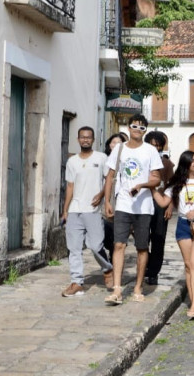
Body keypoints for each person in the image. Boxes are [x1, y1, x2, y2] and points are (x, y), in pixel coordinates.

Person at [102, 115, 162, 305]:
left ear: (145, 130)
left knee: (142, 247)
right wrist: (107, 202)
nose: (138, 129)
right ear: (128, 128)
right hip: (123, 204)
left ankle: (138, 286)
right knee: (119, 244)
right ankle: (117, 289)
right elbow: (110, 176)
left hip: (144, 206)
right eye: (135, 126)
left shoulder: (150, 151)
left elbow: (157, 178)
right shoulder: (119, 149)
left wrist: (142, 185)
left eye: (142, 127)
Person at [151, 151, 194, 318]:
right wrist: (151, 189)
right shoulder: (177, 183)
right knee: (188, 265)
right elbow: (164, 202)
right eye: (193, 160)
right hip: (183, 225)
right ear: (185, 163)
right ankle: (193, 299)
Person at [60, 127, 114, 297]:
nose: (85, 140)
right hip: (75, 209)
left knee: (96, 245)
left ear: (93, 139)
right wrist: (65, 210)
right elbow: (70, 186)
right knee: (74, 248)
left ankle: (107, 268)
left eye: (88, 137)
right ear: (78, 139)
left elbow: (109, 180)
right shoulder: (72, 162)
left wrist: (102, 196)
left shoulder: (101, 158)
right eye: (82, 137)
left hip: (93, 210)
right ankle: (76, 282)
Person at [144, 131, 175, 285]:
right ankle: (146, 264)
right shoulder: (141, 160)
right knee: (142, 238)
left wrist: (170, 206)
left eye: (158, 145)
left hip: (160, 204)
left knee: (158, 238)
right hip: (143, 203)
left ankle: (153, 272)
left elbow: (172, 186)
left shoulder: (166, 164)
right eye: (152, 144)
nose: (155, 148)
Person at [100, 132, 128, 264]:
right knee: (104, 229)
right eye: (113, 142)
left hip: (116, 198)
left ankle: (114, 254)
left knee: (115, 228)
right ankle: (111, 249)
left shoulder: (124, 160)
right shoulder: (102, 159)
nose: (115, 145)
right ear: (108, 144)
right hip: (101, 198)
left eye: (119, 143)